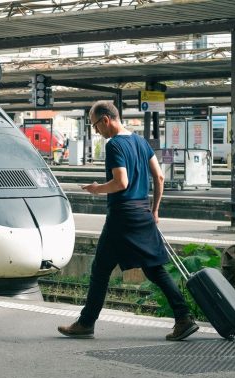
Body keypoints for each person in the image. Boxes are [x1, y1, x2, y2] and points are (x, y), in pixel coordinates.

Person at [57, 101, 199, 341]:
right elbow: (160, 176)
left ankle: (86, 323)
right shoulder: (140, 142)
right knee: (154, 268)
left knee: (100, 270)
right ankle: (183, 317)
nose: (96, 131)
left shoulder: (115, 145)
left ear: (106, 120)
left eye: (95, 126)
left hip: (121, 216)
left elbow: (120, 182)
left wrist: (97, 188)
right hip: (142, 212)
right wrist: (154, 210)